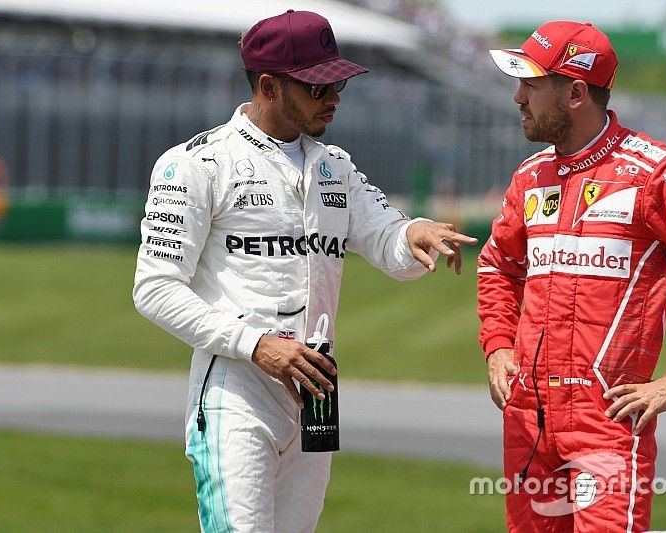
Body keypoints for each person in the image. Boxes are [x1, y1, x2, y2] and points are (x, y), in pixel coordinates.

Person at [133, 10, 477, 532]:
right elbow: (154, 288)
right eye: (318, 85)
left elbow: (388, 242)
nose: (334, 96)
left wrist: (414, 234)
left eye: (338, 82)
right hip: (236, 389)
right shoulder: (197, 164)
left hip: (315, 390)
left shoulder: (334, 165)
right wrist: (257, 345)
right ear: (269, 86)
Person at [477, 20, 666, 532]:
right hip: (528, 418)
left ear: (576, 93)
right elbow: (498, 264)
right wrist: (497, 345)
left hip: (607, 419)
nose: (518, 98)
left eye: (530, 85)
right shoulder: (530, 175)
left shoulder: (655, 174)